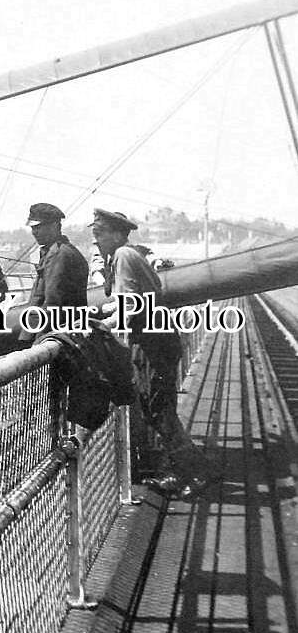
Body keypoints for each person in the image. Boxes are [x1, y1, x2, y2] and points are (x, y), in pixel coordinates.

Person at [91, 207, 218, 499]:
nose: (96, 241)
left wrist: (105, 322)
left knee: (157, 408)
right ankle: (177, 471)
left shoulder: (123, 256)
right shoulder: (130, 255)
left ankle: (199, 471)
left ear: (118, 234)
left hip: (152, 342)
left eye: (100, 234)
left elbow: (130, 303)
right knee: (158, 407)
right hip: (157, 339)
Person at [21, 203, 89, 341]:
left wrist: (39, 341)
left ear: (54, 226)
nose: (34, 232)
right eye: (33, 228)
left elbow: (53, 303)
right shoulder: (55, 251)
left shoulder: (59, 254)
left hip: (58, 334)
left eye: (38, 227)